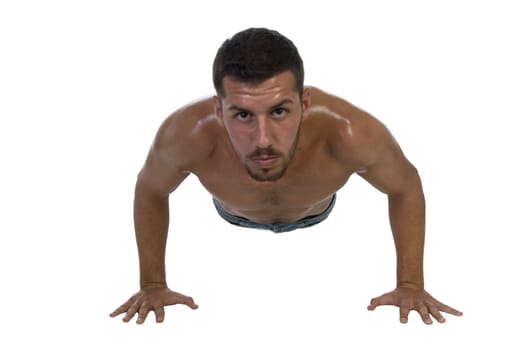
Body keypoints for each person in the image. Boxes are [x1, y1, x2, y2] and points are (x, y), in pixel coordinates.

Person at [110, 27, 462, 325]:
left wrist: (411, 284)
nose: (263, 139)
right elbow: (151, 190)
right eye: (243, 115)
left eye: (279, 111)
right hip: (232, 215)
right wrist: (153, 283)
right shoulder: (185, 135)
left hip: (316, 214)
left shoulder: (351, 132)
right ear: (218, 109)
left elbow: (405, 186)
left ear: (304, 102)